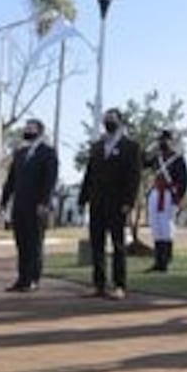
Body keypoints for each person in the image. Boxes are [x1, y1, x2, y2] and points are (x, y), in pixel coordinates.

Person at [77, 108, 142, 300]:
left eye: (112, 119)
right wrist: (83, 198)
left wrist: (128, 201)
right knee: (97, 244)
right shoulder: (97, 146)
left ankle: (119, 285)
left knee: (118, 244)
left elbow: (134, 176)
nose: (108, 122)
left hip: (117, 203)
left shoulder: (131, 147)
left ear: (120, 122)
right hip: (97, 202)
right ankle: (99, 284)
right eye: (105, 119)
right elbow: (89, 174)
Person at [1, 118, 58, 292]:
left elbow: (50, 180)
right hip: (20, 205)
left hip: (37, 206)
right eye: (26, 128)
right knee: (22, 243)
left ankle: (33, 279)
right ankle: (22, 278)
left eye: (31, 128)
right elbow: (11, 180)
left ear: (39, 131)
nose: (27, 131)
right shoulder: (20, 153)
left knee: (35, 243)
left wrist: (44, 202)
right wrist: (4, 201)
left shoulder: (48, 153)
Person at [145, 129, 187, 272]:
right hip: (156, 193)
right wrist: (149, 148)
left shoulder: (177, 158)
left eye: (163, 140)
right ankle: (158, 261)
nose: (161, 143)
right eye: (159, 140)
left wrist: (178, 198)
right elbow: (142, 162)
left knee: (166, 227)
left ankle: (166, 260)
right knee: (155, 226)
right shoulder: (157, 158)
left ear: (170, 141)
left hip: (169, 195)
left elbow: (184, 180)